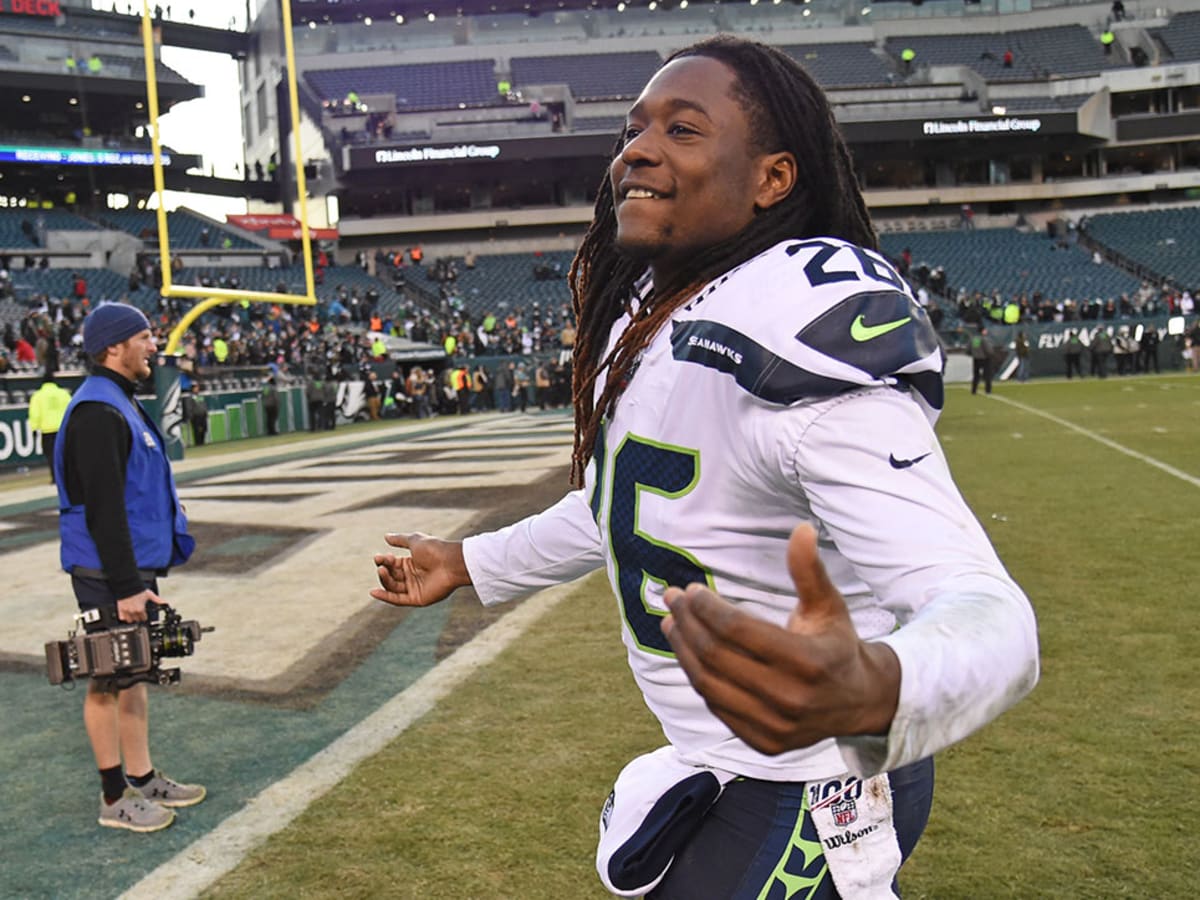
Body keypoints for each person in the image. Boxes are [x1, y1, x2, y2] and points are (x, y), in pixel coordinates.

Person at [371, 36, 1037, 899]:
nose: (637, 151)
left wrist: (879, 687)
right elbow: (633, 499)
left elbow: (986, 607)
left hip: (814, 778)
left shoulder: (792, 333)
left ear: (772, 178)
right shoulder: (649, 314)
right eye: (633, 130)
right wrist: (471, 561)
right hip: (726, 761)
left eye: (683, 130)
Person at [52, 303, 203, 833]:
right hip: (108, 571)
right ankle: (114, 797)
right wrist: (125, 586)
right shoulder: (98, 410)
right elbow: (103, 508)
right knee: (106, 676)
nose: (153, 345)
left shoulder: (118, 400)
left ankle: (141, 776)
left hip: (130, 565)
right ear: (113, 346)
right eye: (144, 337)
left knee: (134, 670)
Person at [28, 374, 72, 484]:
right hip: (62, 428)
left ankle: (55, 477)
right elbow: (71, 409)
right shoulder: (63, 393)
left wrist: (34, 428)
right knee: (66, 453)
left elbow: (34, 413)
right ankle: (69, 476)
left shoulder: (38, 396)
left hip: (47, 430)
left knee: (51, 455)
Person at [970, 325, 994, 394]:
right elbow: (988, 349)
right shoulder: (984, 339)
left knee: (976, 375)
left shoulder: (974, 339)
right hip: (985, 358)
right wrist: (991, 354)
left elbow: (968, 349)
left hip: (976, 358)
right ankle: (988, 390)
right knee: (987, 375)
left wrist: (973, 354)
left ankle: (974, 390)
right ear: (982, 331)